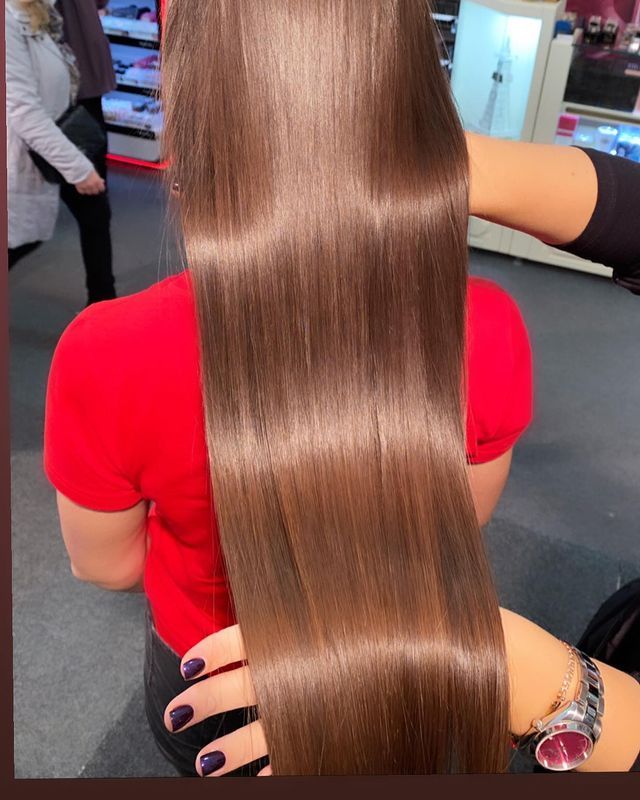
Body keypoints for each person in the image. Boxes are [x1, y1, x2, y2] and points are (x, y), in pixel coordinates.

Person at [42, 0, 640, 776]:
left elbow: (107, 567)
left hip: (207, 666)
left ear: (186, 136)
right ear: (417, 102)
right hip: (383, 662)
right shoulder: (488, 326)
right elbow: (460, 519)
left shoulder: (105, 351)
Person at [6, 0, 113, 305]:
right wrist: (77, 167)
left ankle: (103, 301)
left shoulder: (37, 12)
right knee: (20, 239)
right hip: (33, 143)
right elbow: (25, 112)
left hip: (61, 125)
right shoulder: (12, 21)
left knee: (92, 212)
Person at [55, 0, 117, 303]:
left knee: (93, 206)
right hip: (79, 78)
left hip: (63, 83)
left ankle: (102, 298)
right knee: (93, 207)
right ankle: (102, 297)